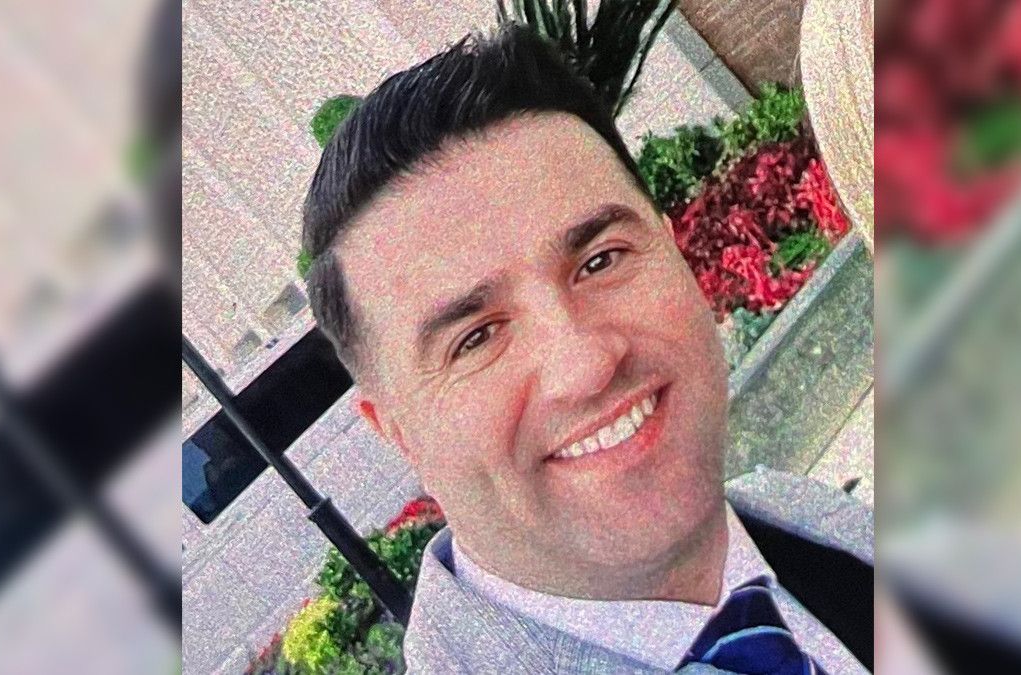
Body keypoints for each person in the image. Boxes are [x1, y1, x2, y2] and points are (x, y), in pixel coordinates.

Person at [302, 24, 872, 674]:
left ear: (673, 249)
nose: (587, 364)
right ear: (400, 433)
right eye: (476, 336)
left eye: (600, 260)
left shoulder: (811, 526)